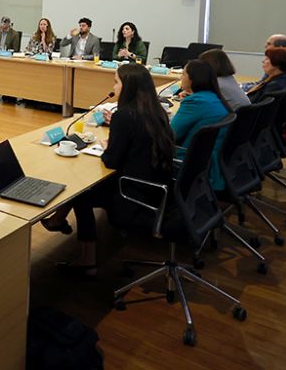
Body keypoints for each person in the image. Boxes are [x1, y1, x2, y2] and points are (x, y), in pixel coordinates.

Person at [42, 64, 175, 276]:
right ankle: (58, 220)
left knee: (81, 192)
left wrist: (107, 145)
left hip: (133, 193)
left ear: (129, 87)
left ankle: (87, 261)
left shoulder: (124, 116)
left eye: (116, 82)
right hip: (158, 188)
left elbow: (112, 161)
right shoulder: (156, 111)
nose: (114, 86)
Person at [171, 60, 230, 191]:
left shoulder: (195, 102)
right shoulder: (213, 97)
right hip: (207, 162)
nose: (181, 77)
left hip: (185, 162)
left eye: (184, 74)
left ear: (193, 79)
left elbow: (171, 135)